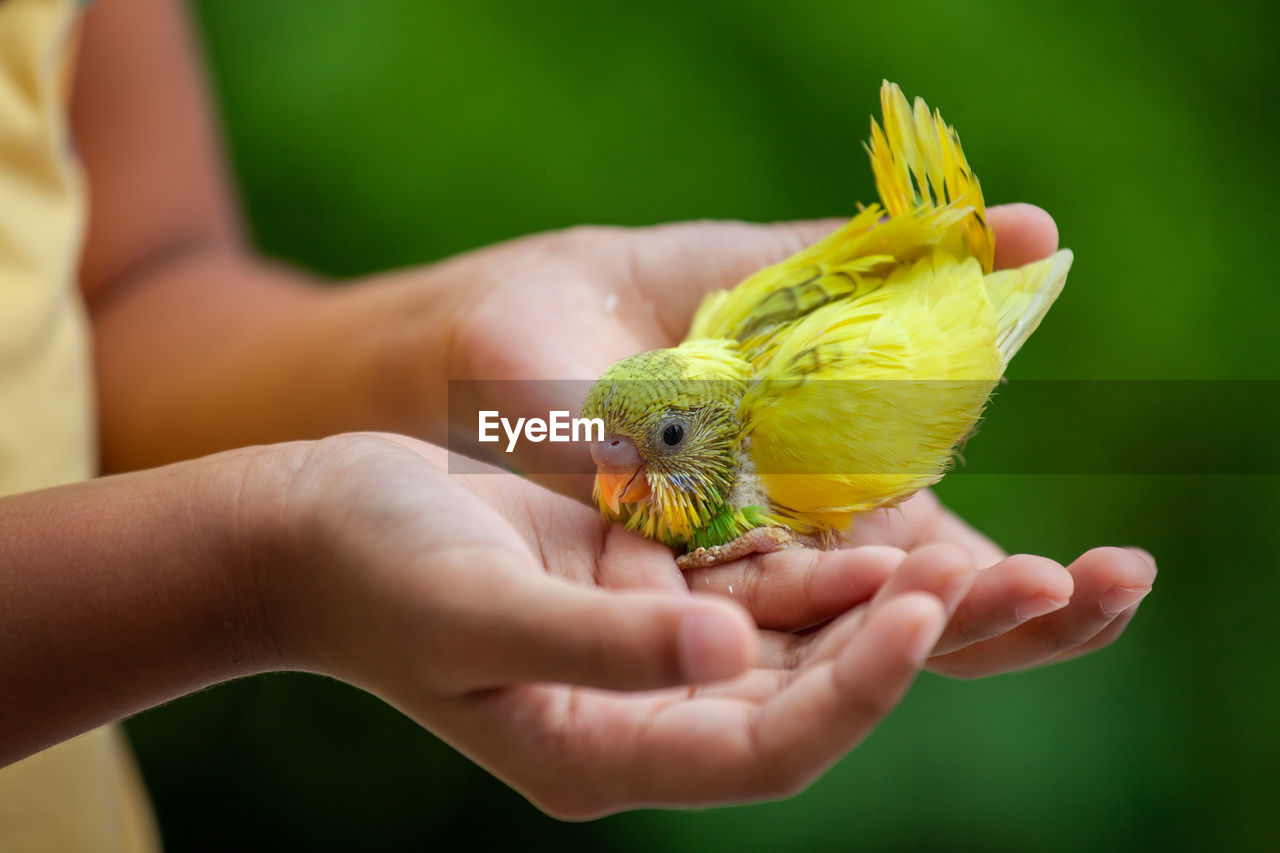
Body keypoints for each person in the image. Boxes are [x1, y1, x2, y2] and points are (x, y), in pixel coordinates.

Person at [0, 0, 1156, 848]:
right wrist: (259, 559)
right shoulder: (737, 434)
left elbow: (134, 288)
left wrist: (449, 343)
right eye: (609, 436)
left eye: (641, 445)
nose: (594, 467)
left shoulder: (787, 428)